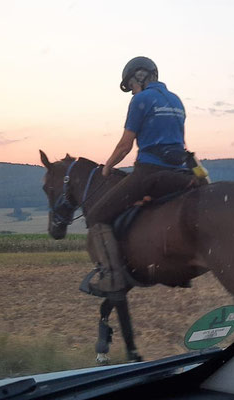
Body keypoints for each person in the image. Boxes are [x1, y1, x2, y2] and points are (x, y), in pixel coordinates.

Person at [83, 56, 197, 298]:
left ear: (141, 76)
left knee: (96, 216)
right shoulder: (176, 100)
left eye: (131, 86)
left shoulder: (141, 100)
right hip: (181, 174)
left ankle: (112, 277)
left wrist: (108, 167)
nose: (132, 91)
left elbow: (125, 145)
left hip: (151, 172)